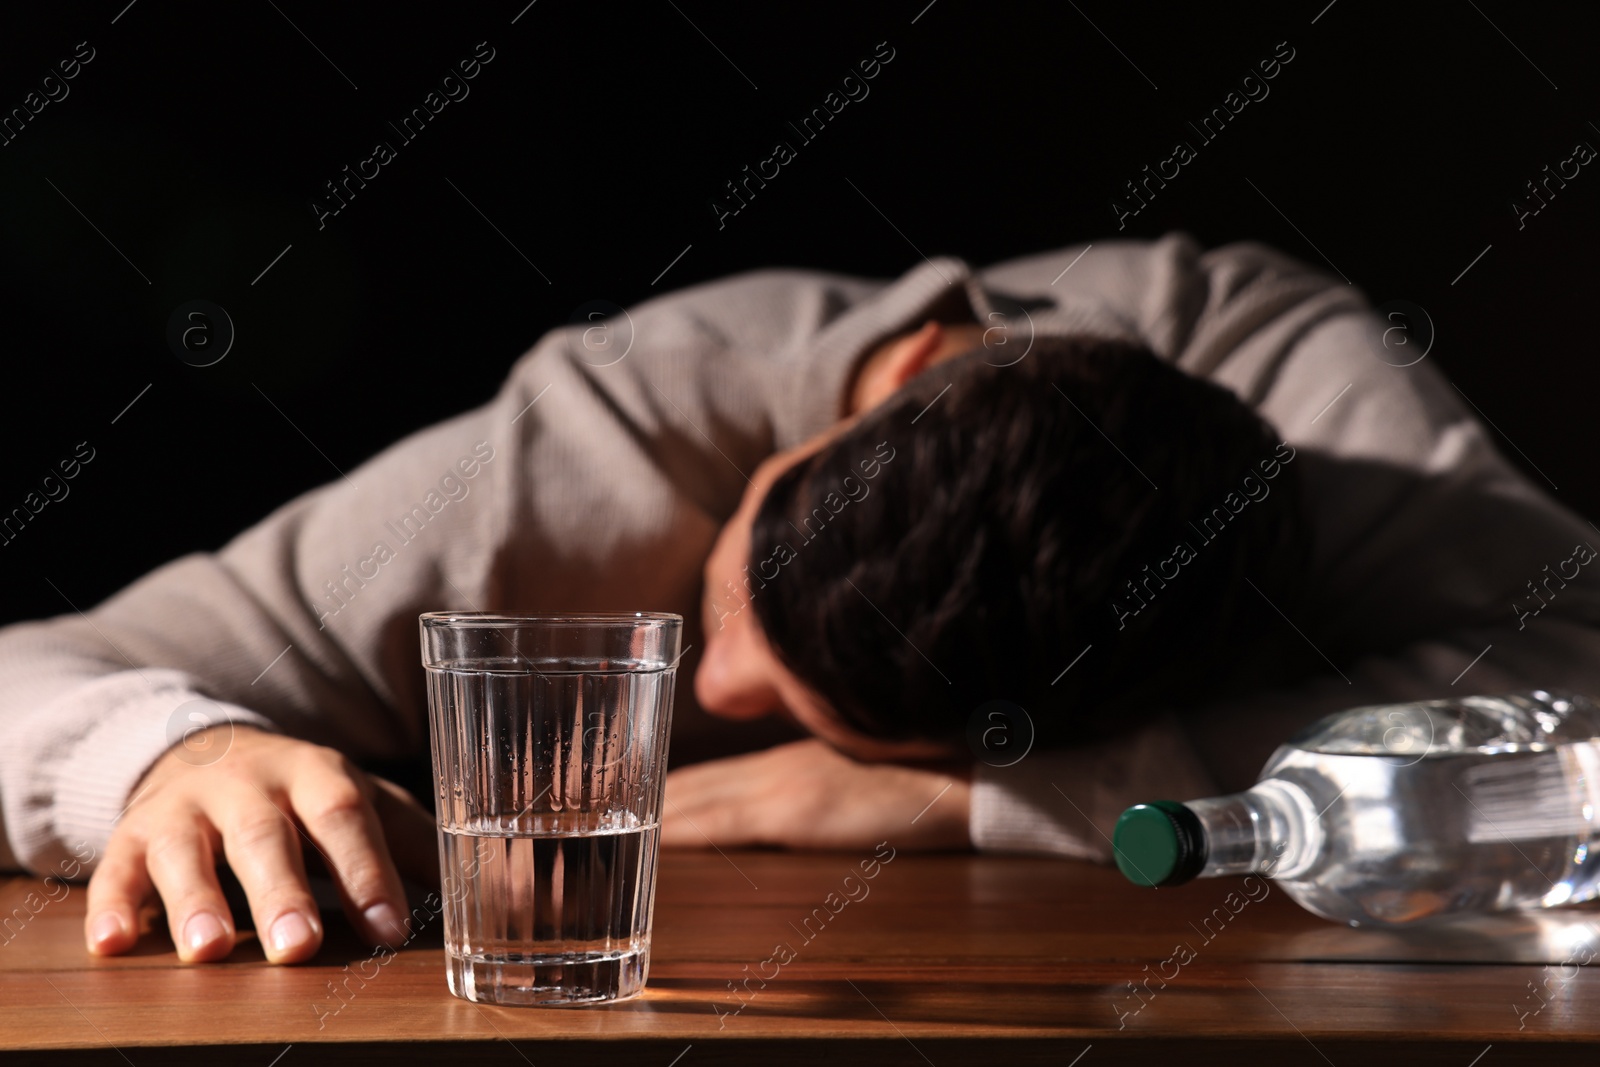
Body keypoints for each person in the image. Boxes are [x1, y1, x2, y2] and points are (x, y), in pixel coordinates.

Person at [3, 232, 1598, 968]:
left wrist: (964, 807)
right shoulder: (616, 423)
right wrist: (159, 753)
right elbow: (33, 668)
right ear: (902, 377)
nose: (721, 693)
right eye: (741, 578)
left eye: (859, 728)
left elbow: (1585, 724)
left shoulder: (1314, 443)